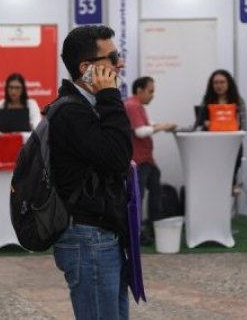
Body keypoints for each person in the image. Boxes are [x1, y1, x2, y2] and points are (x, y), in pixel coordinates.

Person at [51, 25, 132, 319]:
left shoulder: (88, 108)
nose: (120, 64)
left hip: (101, 232)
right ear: (86, 68)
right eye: (112, 57)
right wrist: (110, 95)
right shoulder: (71, 112)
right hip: (88, 237)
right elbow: (118, 157)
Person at [124, 76, 176, 245]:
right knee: (138, 198)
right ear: (140, 90)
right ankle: (138, 234)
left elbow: (147, 125)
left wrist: (161, 125)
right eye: (150, 91)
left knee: (155, 194)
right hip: (139, 161)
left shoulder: (137, 105)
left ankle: (155, 229)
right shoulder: (132, 106)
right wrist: (162, 127)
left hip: (146, 160)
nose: (153, 95)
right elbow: (140, 131)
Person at [197, 69, 247, 194]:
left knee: (231, 170)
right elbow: (198, 123)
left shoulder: (238, 100)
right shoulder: (207, 100)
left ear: (229, 83)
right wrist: (205, 124)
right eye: (216, 82)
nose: (219, 85)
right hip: (212, 143)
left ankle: (231, 186)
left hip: (232, 143)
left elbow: (244, 125)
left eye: (222, 82)